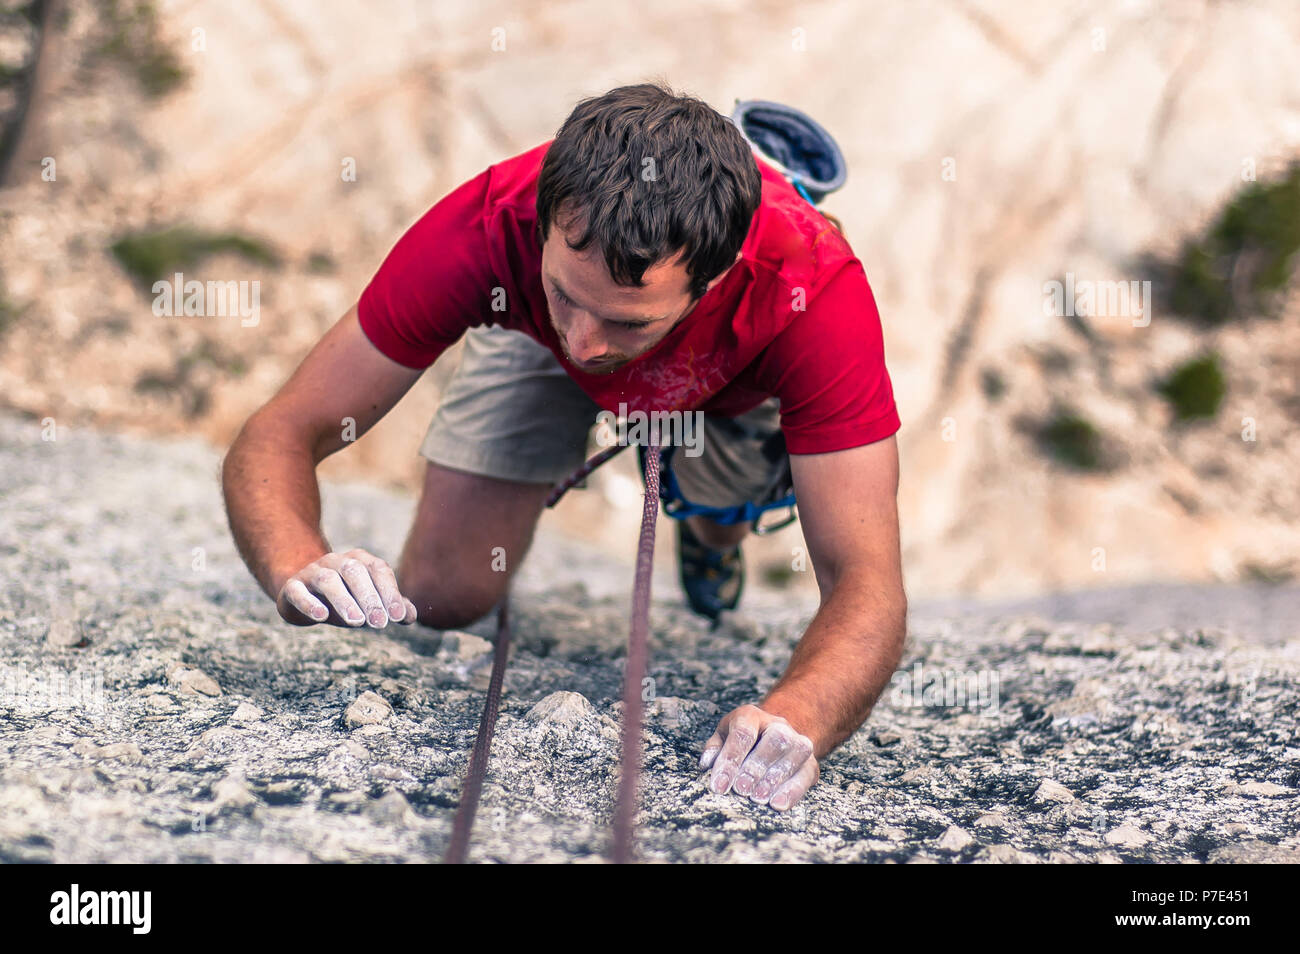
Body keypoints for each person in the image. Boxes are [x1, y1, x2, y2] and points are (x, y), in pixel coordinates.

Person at [221, 81, 906, 813]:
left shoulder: (814, 289)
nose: (585, 343)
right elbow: (284, 430)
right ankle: (638, 367)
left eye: (626, 321)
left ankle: (712, 530)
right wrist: (295, 562)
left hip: (733, 376)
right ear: (544, 222)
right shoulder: (486, 224)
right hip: (525, 340)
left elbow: (867, 580)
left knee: (714, 501)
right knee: (446, 594)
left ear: (716, 279)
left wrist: (795, 716)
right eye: (566, 293)